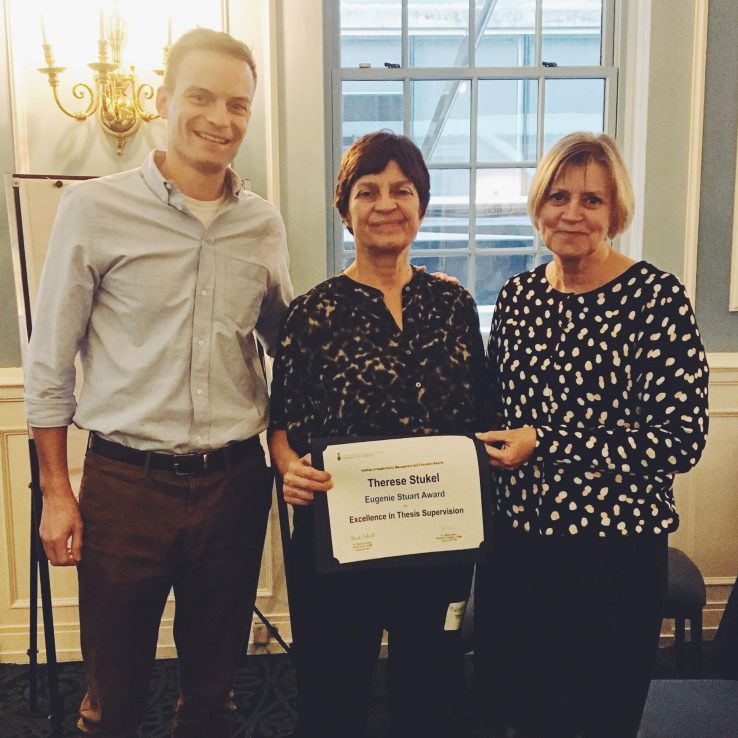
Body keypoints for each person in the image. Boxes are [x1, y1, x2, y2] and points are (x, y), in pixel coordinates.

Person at [23, 28, 293, 737]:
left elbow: (285, 341)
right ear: (163, 100)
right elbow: (49, 363)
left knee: (213, 696)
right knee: (114, 697)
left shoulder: (262, 223)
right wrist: (56, 493)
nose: (219, 118)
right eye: (200, 97)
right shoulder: (93, 210)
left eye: (237, 104)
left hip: (234, 485)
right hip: (126, 489)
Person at [474, 131, 710, 738]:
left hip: (613, 559)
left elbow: (680, 439)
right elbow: (498, 414)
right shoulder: (519, 297)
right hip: (519, 553)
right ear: (538, 205)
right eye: (558, 196)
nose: (572, 213)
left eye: (591, 200)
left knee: (596, 717)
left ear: (616, 211)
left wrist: (548, 443)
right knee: (517, 712)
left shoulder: (655, 299)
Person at [268, 131, 490, 738]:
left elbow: (479, 415)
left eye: (403, 190)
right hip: (340, 543)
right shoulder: (311, 312)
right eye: (368, 191)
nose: (386, 203)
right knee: (334, 691)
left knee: (433, 688)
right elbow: (281, 425)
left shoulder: (454, 304)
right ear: (346, 211)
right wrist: (289, 467)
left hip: (436, 540)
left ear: (422, 205)